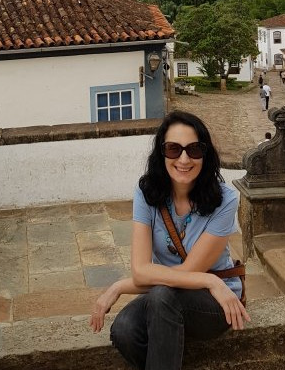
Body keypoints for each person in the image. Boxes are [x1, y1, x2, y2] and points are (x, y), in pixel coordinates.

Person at [90, 110, 249, 370]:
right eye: (174, 149)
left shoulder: (225, 200)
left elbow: (186, 273)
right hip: (170, 295)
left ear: (205, 154)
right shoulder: (147, 193)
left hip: (216, 300)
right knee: (124, 330)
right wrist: (120, 285)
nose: (184, 159)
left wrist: (211, 281)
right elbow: (141, 272)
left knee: (162, 294)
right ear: (161, 153)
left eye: (194, 149)